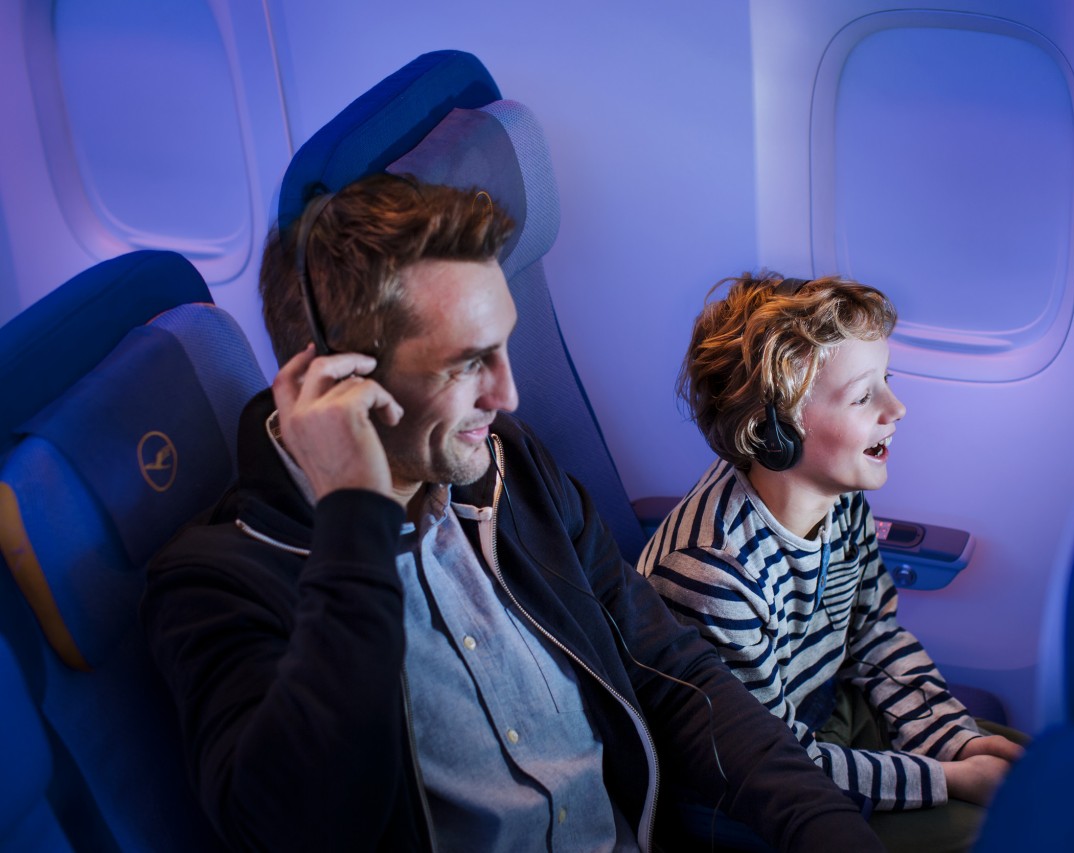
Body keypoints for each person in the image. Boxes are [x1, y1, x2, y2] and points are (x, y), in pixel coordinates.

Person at [141, 175, 885, 853]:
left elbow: (670, 669)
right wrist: (355, 521)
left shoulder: (510, 467)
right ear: (341, 378)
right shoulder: (216, 583)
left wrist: (822, 823)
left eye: (504, 349)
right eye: (467, 362)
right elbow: (306, 827)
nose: (507, 395)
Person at [637, 273, 1025, 853]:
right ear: (773, 432)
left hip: (827, 713)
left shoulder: (836, 497)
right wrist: (950, 779)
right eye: (864, 396)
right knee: (1006, 834)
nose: (897, 408)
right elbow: (771, 764)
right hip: (753, 795)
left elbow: (872, 632)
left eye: (887, 381)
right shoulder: (713, 576)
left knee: (1037, 777)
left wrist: (953, 740)